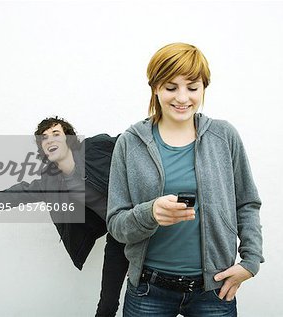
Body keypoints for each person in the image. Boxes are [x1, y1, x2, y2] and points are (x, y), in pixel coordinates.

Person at [106, 43, 264, 316]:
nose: (182, 98)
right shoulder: (129, 143)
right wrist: (150, 213)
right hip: (147, 289)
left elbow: (247, 203)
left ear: (204, 88)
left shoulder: (224, 136)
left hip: (213, 290)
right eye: (171, 87)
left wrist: (250, 261)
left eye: (193, 87)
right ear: (155, 87)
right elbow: (116, 225)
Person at [0, 116, 129, 317]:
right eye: (44, 138)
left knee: (148, 285)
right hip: (118, 235)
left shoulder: (95, 148)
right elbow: (12, 196)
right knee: (106, 306)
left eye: (56, 134)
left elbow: (132, 141)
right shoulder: (50, 183)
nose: (50, 140)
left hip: (143, 217)